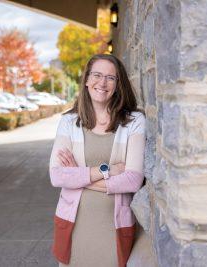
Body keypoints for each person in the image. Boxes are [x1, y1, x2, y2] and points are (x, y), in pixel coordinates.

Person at [49, 54, 146, 267]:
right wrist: (107, 170)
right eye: (97, 75)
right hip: (73, 225)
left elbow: (133, 180)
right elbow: (57, 176)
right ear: (86, 79)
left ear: (118, 84)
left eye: (111, 78)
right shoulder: (68, 122)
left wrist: (79, 176)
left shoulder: (134, 122)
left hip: (114, 227)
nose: (102, 83)